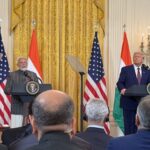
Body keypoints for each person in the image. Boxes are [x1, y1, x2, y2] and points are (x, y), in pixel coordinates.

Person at [117, 51, 150, 135]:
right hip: (128, 102)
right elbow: (120, 82)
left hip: (143, 103)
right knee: (129, 126)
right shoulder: (125, 69)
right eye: (134, 56)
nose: (136, 57)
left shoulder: (147, 71)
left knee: (142, 126)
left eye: (138, 56)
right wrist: (122, 89)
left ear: (142, 58)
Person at [4, 57, 39, 128]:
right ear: (17, 64)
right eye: (21, 62)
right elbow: (7, 90)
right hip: (17, 106)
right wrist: (17, 91)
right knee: (16, 129)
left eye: (25, 62)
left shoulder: (33, 75)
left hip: (30, 106)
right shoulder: (12, 75)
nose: (23, 64)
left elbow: (37, 89)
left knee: (30, 129)